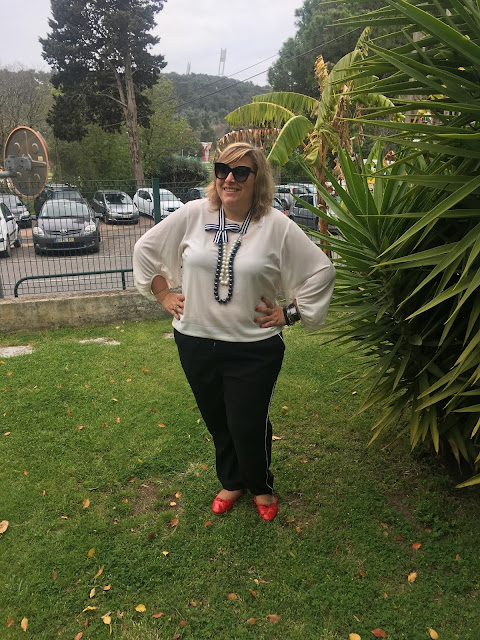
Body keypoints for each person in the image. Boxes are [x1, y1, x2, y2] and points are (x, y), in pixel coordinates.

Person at [133, 143, 335, 521]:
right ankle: (232, 481)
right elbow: (146, 248)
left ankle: (260, 485)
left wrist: (290, 312)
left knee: (247, 423)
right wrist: (163, 294)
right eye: (222, 169)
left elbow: (321, 270)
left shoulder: (275, 225)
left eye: (241, 172)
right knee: (218, 421)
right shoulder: (194, 213)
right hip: (195, 341)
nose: (229, 179)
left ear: (258, 180)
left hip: (253, 347)